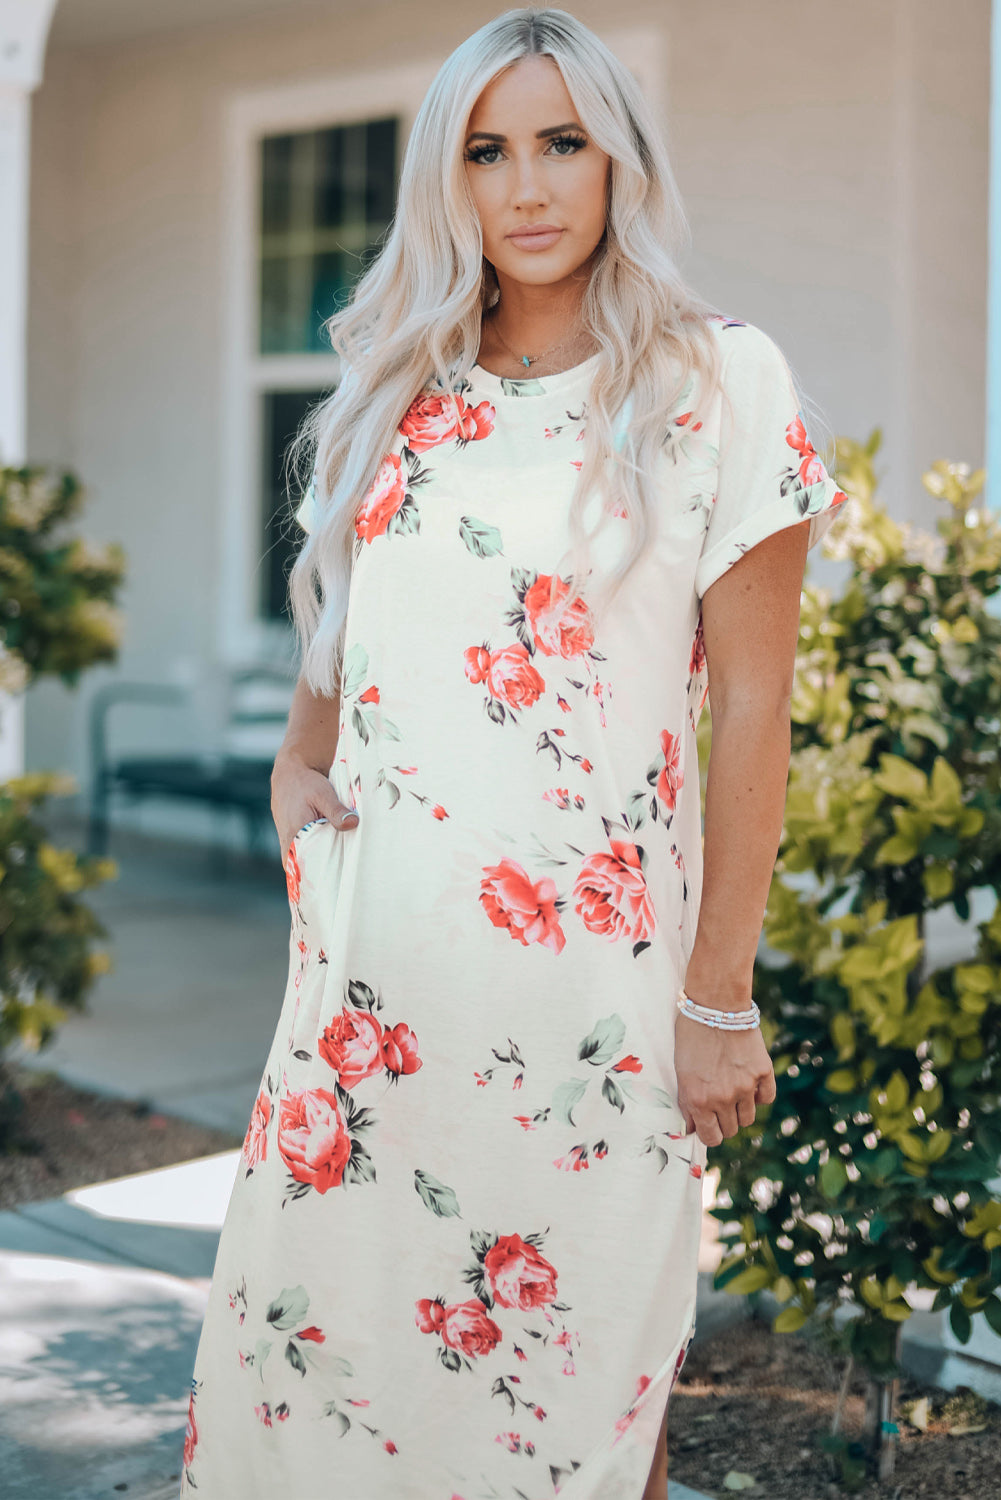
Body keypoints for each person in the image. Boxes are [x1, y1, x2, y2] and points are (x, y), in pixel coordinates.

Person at [180, 7, 847, 1497]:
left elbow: (752, 709)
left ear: (619, 160)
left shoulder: (715, 385)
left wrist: (716, 995)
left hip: (589, 1016)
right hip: (373, 1001)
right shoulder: (398, 393)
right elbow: (340, 647)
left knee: (578, 1403)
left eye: (562, 142)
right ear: (447, 177)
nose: (527, 186)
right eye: (487, 151)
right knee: (333, 1378)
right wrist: (300, 775)